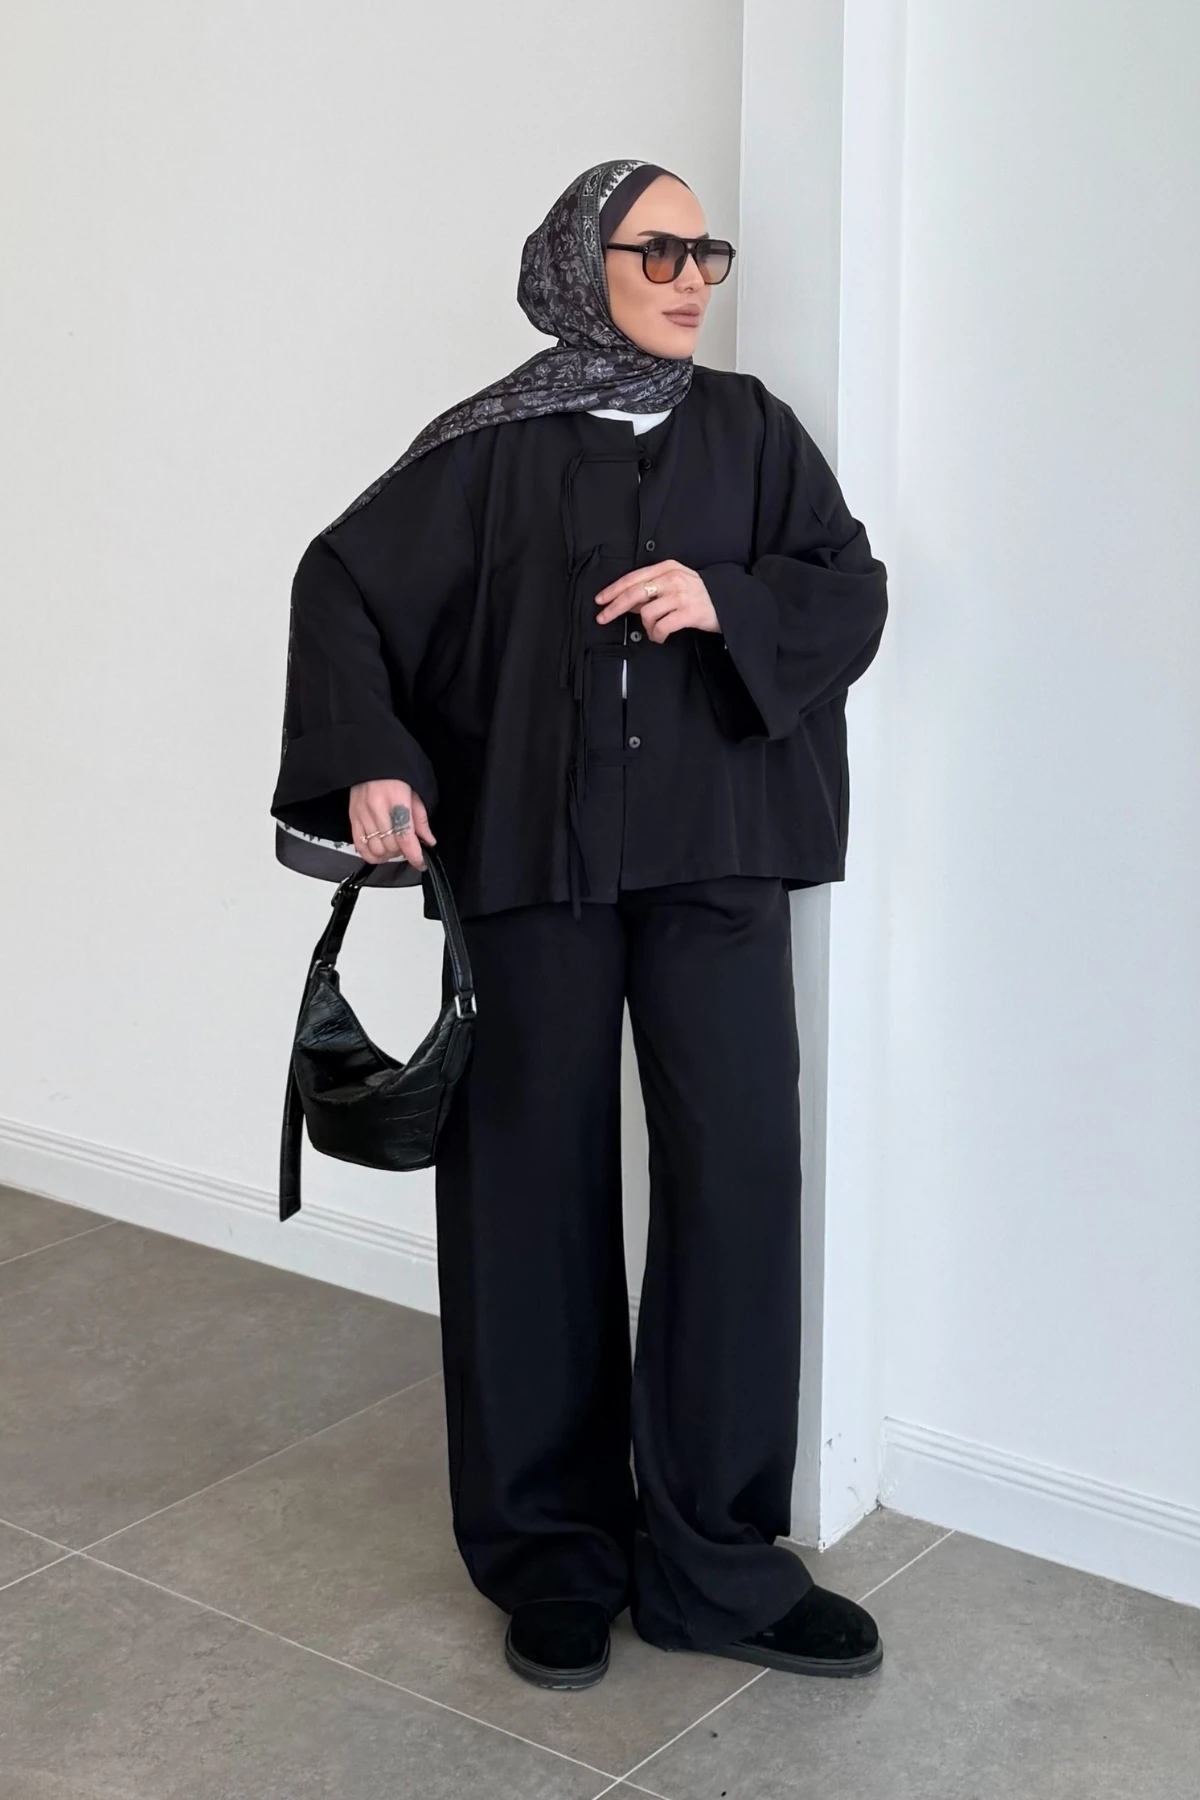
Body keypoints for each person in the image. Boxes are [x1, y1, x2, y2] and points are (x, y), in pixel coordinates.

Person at [270, 158, 889, 1691]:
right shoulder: (487, 447)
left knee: (739, 1182)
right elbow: (341, 585)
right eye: (654, 250)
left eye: (704, 252)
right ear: (577, 264)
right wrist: (376, 759)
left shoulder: (752, 433)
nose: (690, 279)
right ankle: (550, 1552)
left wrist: (729, 600)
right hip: (532, 862)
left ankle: (717, 1563)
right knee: (525, 1192)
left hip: (718, 863)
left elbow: (852, 588)